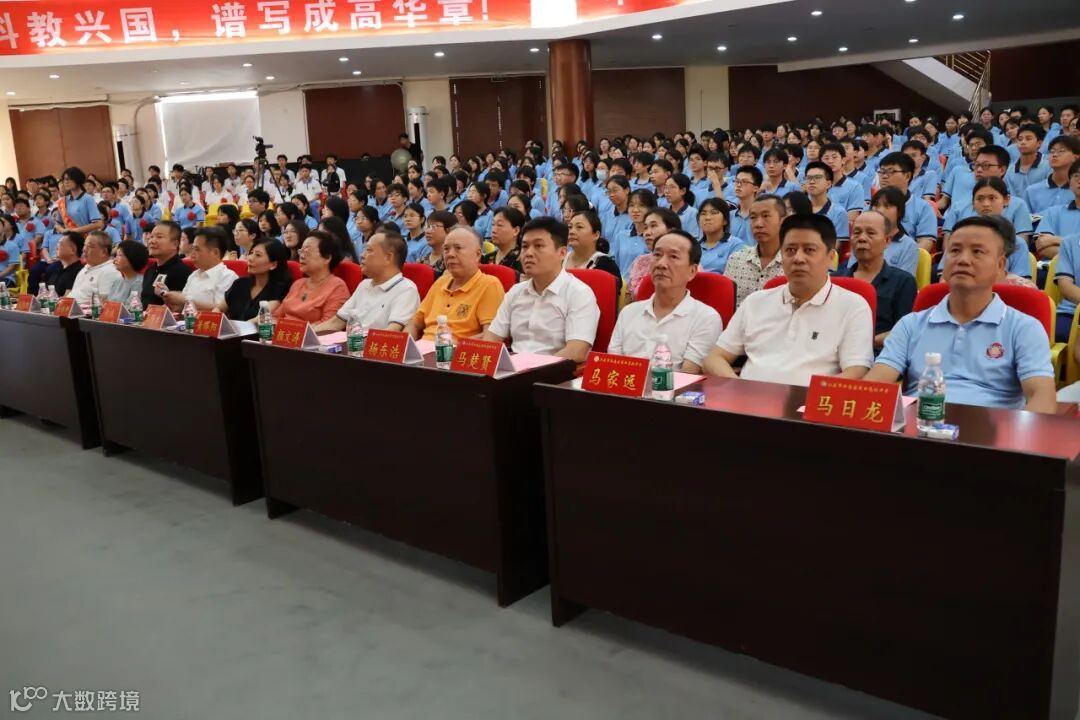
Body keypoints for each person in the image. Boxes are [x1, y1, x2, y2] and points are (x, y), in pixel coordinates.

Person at [864, 215, 1057, 412]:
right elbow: (874, 384)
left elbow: (1042, 398)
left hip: (991, 428)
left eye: (977, 252)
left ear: (1000, 266)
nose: (963, 260)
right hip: (921, 422)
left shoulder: (1024, 328)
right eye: (955, 250)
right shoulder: (910, 325)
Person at [702, 213, 874, 385]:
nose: (798, 258)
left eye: (809, 250)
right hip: (747, 397)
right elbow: (714, 358)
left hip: (811, 400)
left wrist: (809, 395)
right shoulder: (755, 302)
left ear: (830, 257)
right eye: (790, 250)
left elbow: (856, 372)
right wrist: (741, 388)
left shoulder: (853, 306)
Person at [482, 216, 599, 362]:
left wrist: (531, 369)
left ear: (562, 253)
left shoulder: (579, 294)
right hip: (513, 369)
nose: (528, 253)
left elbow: (576, 351)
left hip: (552, 372)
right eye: (525, 246)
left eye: (538, 246)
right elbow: (491, 340)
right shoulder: (516, 292)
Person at [609, 230, 722, 373]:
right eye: (657, 255)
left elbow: (688, 376)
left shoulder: (706, 318)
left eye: (673, 256)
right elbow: (612, 368)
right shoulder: (628, 313)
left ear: (692, 271)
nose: (661, 264)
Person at [405, 227, 505, 342]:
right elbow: (414, 323)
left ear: (477, 254)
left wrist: (450, 346)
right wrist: (406, 345)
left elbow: (491, 336)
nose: (450, 254)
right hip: (424, 348)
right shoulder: (440, 282)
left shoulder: (489, 285)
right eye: (446, 249)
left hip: (457, 350)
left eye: (458, 248)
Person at [836, 211, 917, 350]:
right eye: (857, 233)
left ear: (887, 241)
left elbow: (905, 331)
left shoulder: (903, 282)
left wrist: (867, 342)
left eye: (870, 233)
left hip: (880, 355)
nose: (862, 238)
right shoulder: (836, 280)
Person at [319, 229, 420, 332]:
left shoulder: (406, 289)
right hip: (354, 340)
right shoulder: (364, 285)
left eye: (369, 250)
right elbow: (336, 322)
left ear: (388, 257)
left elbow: (392, 332)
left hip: (374, 342)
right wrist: (310, 334)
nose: (362, 255)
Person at [723, 195, 787, 307]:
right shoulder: (736, 259)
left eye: (766, 216)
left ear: (783, 221)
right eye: (753, 217)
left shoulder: (795, 263)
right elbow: (725, 304)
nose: (758, 224)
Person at [274, 231, 350, 323]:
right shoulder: (298, 284)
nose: (301, 256)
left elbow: (328, 326)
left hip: (311, 332)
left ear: (327, 258)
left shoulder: (337, 287)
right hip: (282, 331)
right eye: (301, 251)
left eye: (307, 251)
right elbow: (276, 317)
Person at [166, 226, 238, 312]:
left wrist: (185, 300)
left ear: (215, 252)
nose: (192, 255)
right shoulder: (194, 275)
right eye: (193, 249)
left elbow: (220, 310)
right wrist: (169, 297)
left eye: (197, 249)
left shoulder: (228, 277)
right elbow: (183, 307)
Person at [224, 239, 292, 321]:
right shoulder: (240, 283)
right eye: (251, 253)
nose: (250, 258)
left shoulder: (281, 290)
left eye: (258, 255)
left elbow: (260, 319)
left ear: (273, 265)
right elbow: (219, 308)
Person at [563, 209, 622, 296]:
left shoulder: (605, 264)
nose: (572, 232)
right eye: (570, 227)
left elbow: (609, 298)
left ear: (596, 235)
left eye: (579, 227)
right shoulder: (559, 259)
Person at [1033, 158, 1080, 261]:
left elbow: (1049, 244)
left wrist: (1056, 240)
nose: (1079, 181)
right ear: (1069, 182)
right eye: (1076, 176)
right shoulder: (1053, 212)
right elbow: (1042, 246)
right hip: (1053, 269)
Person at [141, 220, 192, 307]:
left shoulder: (181, 272)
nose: (151, 241)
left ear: (175, 244)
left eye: (159, 237)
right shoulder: (150, 270)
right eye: (152, 236)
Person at [69, 231, 123, 305]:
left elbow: (105, 305)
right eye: (84, 245)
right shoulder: (85, 269)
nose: (84, 249)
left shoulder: (110, 271)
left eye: (89, 246)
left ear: (104, 252)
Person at [696, 197, 745, 274]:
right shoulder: (694, 247)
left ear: (725, 220)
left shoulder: (736, 245)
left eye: (714, 213)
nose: (707, 218)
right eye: (703, 214)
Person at [42, 232, 84, 298]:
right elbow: (44, 294)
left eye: (60, 244)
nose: (56, 247)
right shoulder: (57, 269)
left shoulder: (78, 272)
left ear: (72, 250)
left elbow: (67, 300)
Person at [483, 206, 524, 274]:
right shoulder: (486, 258)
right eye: (493, 224)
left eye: (500, 225)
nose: (493, 230)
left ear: (516, 231)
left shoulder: (522, 260)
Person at [421, 210, 455, 278]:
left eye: (433, 227)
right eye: (427, 227)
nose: (427, 231)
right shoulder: (421, 261)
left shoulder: (453, 261)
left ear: (449, 230)